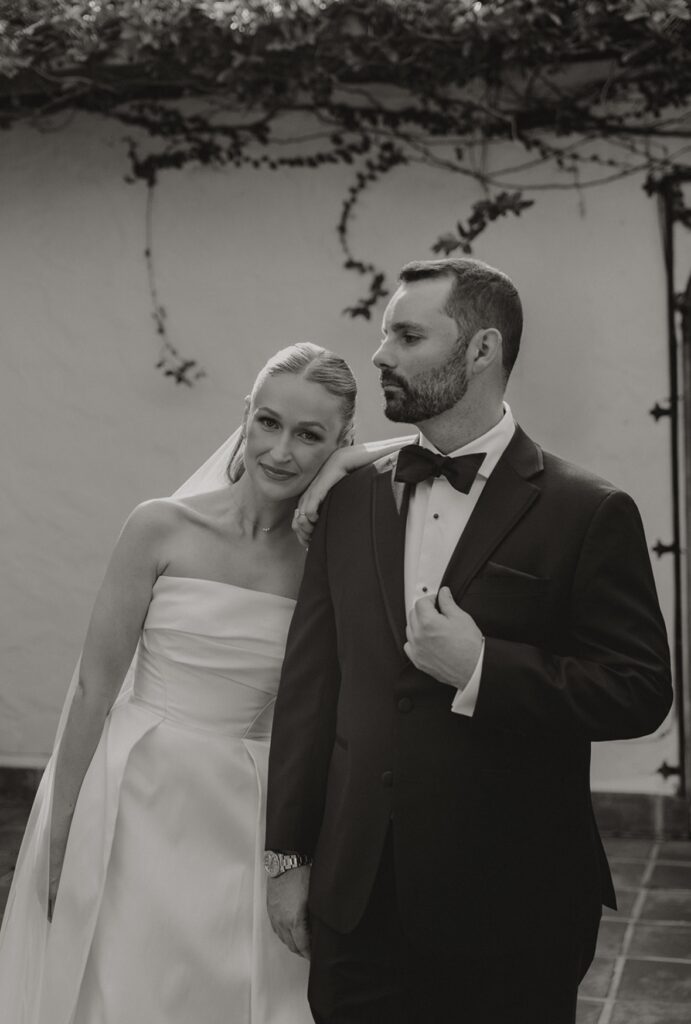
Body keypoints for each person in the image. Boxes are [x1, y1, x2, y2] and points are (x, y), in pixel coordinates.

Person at [265, 258, 673, 1024]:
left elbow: (640, 691)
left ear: (481, 350)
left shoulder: (586, 511)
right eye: (384, 334)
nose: (380, 354)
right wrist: (286, 857)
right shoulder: (347, 499)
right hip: (357, 903)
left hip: (513, 909)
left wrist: (483, 668)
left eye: (407, 336)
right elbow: (310, 690)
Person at [0, 342, 413, 1024]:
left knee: (218, 990)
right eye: (268, 422)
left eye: (310, 436)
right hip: (132, 790)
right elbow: (93, 691)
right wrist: (59, 833)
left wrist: (347, 466)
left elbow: (438, 446)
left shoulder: (325, 562)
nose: (280, 451)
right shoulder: (159, 526)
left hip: (243, 805)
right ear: (245, 416)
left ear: (341, 441)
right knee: (119, 986)